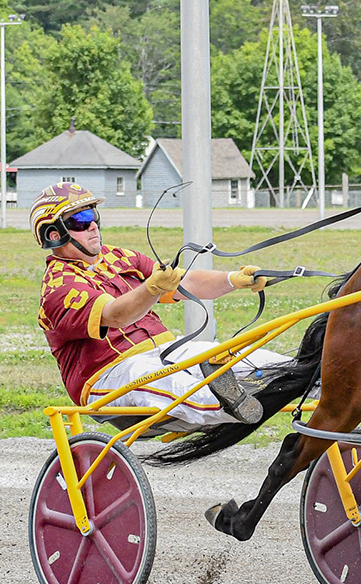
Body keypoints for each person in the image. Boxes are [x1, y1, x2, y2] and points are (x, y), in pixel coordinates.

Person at [32, 182, 287, 428]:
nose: (92, 226)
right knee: (171, 383)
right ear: (54, 234)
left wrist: (233, 279)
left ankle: (305, 377)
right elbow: (116, 315)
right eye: (79, 221)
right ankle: (235, 401)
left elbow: (186, 282)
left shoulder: (118, 257)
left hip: (166, 351)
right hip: (110, 373)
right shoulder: (58, 287)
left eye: (93, 216)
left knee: (243, 358)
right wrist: (152, 287)